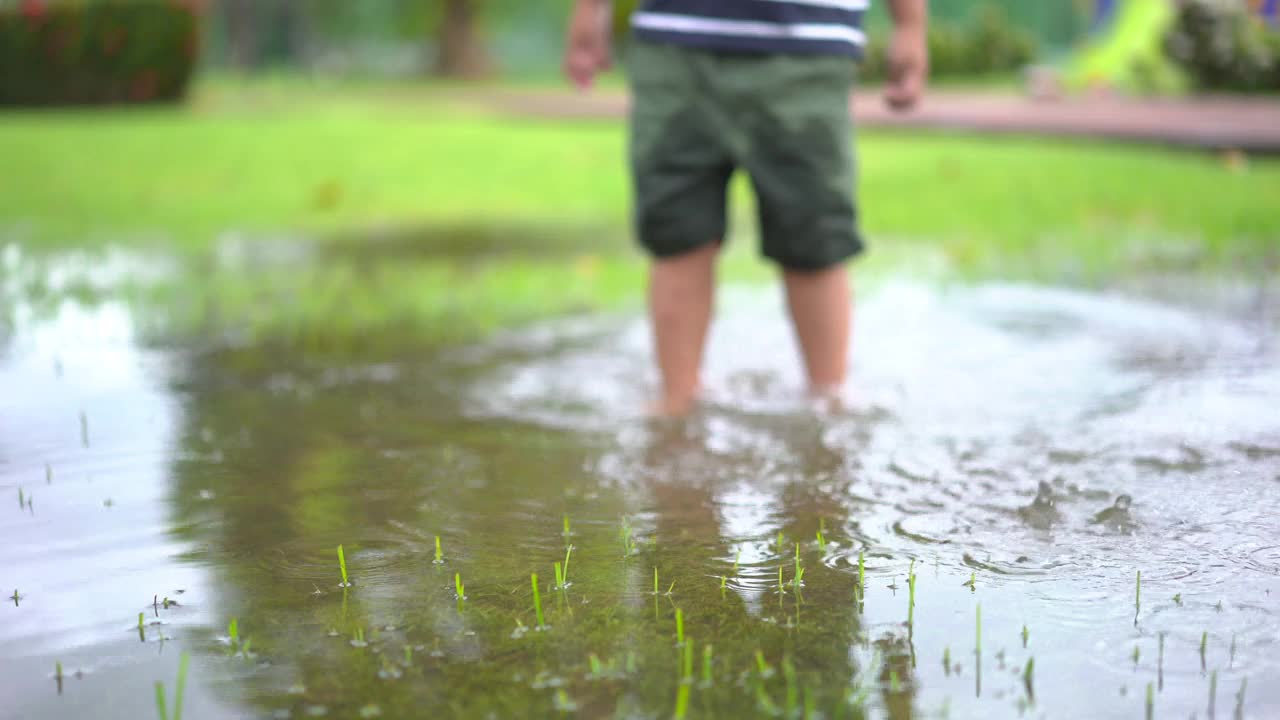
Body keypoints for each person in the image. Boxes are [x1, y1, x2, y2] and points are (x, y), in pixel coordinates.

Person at [564, 0, 928, 416]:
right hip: (674, 36)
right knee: (675, 230)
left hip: (810, 43)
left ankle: (829, 402)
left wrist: (909, 22)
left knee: (815, 232)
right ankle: (678, 405)